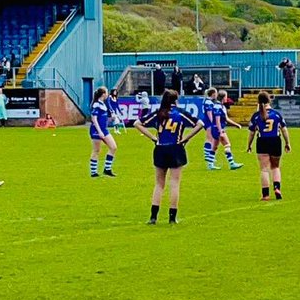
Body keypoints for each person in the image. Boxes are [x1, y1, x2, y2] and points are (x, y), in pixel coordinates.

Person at [134, 89, 203, 225]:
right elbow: (200, 124)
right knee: (174, 183)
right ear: (176, 100)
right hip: (176, 148)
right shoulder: (180, 113)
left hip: (160, 148)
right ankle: (172, 217)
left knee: (159, 184)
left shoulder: (159, 113)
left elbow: (137, 123)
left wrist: (153, 138)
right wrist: (186, 138)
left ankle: (153, 217)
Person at [247, 90, 290, 201]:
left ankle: (265, 195)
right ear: (269, 100)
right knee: (275, 167)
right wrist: (287, 143)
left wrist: (249, 145)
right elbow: (284, 130)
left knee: (264, 169)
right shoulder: (276, 114)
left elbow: (252, 132)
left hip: (262, 141)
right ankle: (277, 187)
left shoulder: (256, 116)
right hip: (275, 141)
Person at [204, 87, 243, 171]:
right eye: (226, 96)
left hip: (216, 129)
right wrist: (220, 131)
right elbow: (217, 120)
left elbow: (226, 119)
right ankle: (232, 163)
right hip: (218, 129)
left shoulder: (221, 106)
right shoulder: (218, 106)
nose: (227, 98)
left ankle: (210, 164)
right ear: (223, 97)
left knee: (214, 147)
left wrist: (236, 125)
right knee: (227, 145)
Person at [89, 86, 117, 178]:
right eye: (107, 92)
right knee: (96, 150)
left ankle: (107, 169)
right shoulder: (96, 104)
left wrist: (111, 119)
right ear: (103, 94)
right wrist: (99, 131)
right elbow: (94, 119)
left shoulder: (103, 104)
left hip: (104, 129)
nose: (108, 94)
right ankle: (93, 172)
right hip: (97, 130)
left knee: (113, 147)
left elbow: (103, 119)